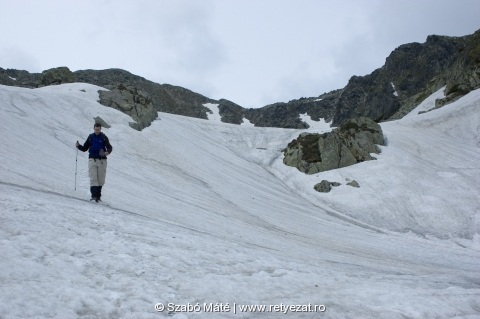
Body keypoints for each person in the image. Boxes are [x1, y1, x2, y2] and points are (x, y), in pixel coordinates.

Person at [76, 123, 113, 202]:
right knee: (93, 178)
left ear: (100, 129)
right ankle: (94, 196)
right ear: (93, 129)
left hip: (102, 160)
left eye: (98, 129)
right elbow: (85, 148)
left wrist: (107, 152)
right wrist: (78, 146)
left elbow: (109, 147)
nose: (97, 131)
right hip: (92, 159)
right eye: (96, 129)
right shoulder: (91, 137)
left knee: (101, 179)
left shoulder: (103, 137)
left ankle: (98, 197)